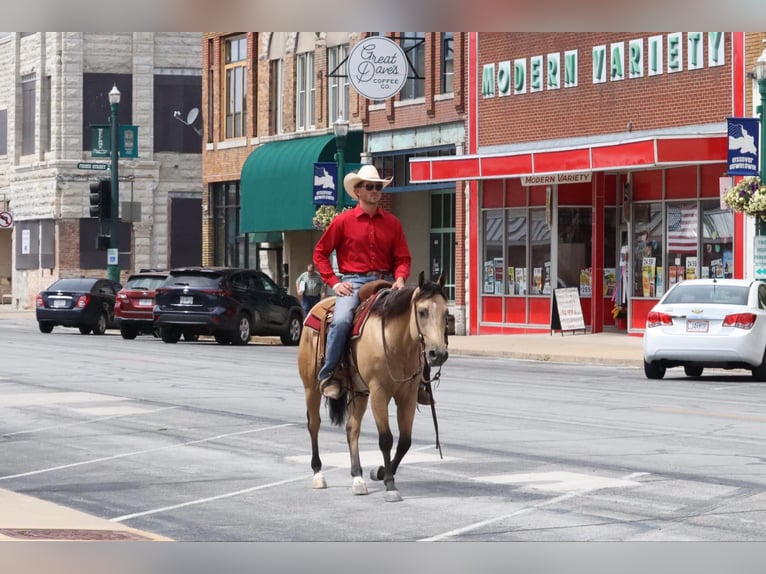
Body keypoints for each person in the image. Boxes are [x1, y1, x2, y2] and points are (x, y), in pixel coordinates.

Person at [313, 164, 411, 400]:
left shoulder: (392, 223)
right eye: (370, 187)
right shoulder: (342, 221)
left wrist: (399, 278)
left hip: (386, 282)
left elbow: (403, 258)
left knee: (414, 321)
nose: (375, 191)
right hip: (353, 282)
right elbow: (320, 253)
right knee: (342, 321)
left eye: (378, 187)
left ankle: (419, 382)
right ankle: (330, 373)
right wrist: (335, 283)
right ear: (357, 191)